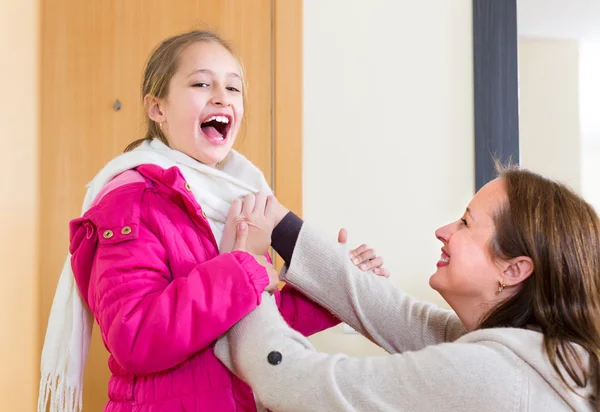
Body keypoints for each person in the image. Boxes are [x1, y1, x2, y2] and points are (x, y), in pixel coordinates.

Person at [37, 30, 386, 412]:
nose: (221, 96)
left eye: (233, 88)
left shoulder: (241, 197)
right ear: (157, 108)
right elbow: (134, 337)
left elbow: (254, 328)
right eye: (202, 83)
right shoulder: (130, 201)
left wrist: (335, 288)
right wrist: (243, 269)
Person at [215, 167, 600, 411]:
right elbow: (398, 315)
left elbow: (295, 382)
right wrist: (282, 227)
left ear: (514, 270)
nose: (443, 231)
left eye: (466, 223)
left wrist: (246, 275)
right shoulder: (540, 353)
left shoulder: (494, 376)